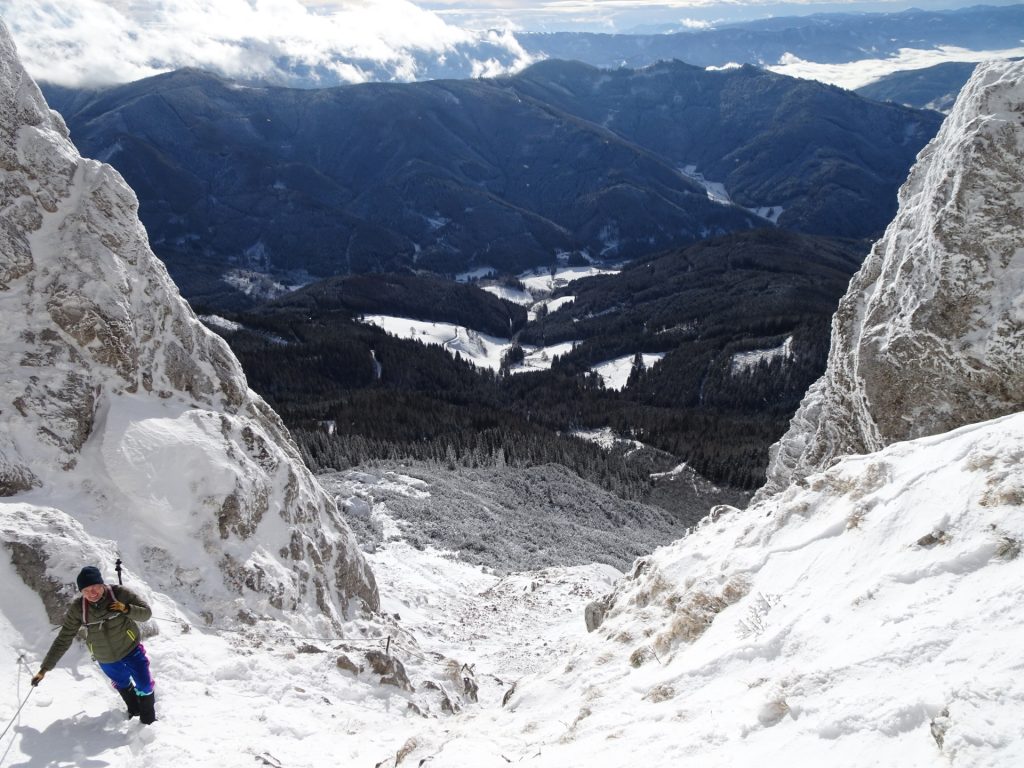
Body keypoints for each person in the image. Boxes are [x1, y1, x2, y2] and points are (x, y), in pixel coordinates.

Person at [32, 565, 157, 724]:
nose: (92, 593)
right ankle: (134, 711)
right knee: (123, 684)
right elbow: (64, 638)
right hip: (105, 657)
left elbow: (146, 614)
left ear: (102, 585)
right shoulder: (79, 608)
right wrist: (44, 669)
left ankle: (149, 722)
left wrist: (125, 608)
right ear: (81, 592)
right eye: (86, 590)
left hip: (130, 649)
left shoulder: (119, 594)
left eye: (95, 588)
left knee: (144, 685)